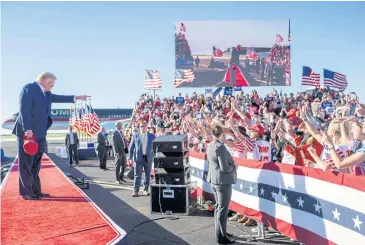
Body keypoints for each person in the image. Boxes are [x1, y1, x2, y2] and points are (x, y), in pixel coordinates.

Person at [12, 72, 88, 200]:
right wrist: (28, 129)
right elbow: (24, 109)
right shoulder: (29, 88)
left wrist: (76, 98)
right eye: (51, 83)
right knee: (26, 163)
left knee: (36, 163)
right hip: (28, 132)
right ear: (44, 80)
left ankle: (36, 191)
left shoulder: (46, 93)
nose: (52, 86)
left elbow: (58, 98)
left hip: (41, 132)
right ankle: (26, 192)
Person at [206, 124, 237, 244]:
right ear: (221, 134)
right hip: (222, 181)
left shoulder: (211, 145)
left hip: (215, 180)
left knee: (219, 208)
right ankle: (221, 237)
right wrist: (234, 166)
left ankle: (221, 231)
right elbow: (224, 168)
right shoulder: (220, 147)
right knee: (222, 209)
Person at [128, 121, 155, 197]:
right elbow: (131, 148)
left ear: (147, 127)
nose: (142, 128)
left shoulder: (152, 136)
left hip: (148, 157)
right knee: (137, 175)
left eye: (143, 126)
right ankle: (135, 191)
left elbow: (155, 147)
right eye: (140, 126)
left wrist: (155, 156)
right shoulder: (135, 136)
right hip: (138, 159)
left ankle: (145, 190)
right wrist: (130, 158)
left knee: (147, 175)